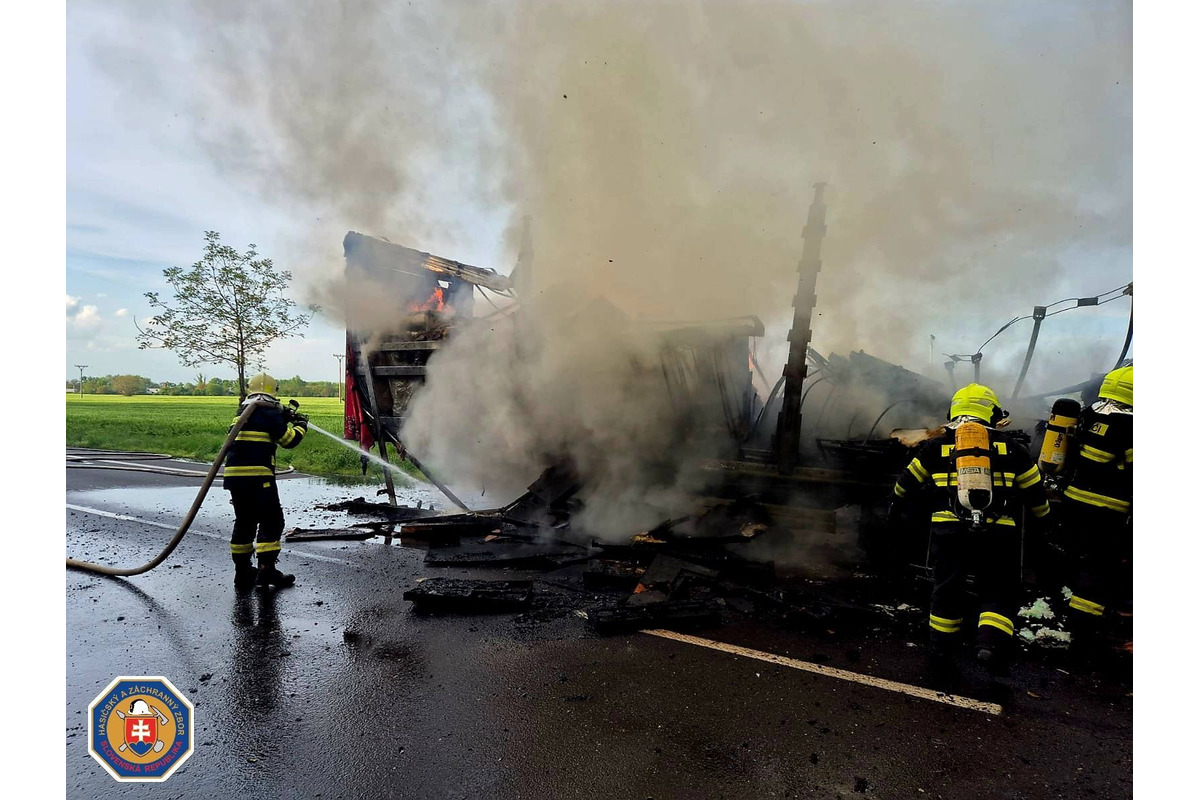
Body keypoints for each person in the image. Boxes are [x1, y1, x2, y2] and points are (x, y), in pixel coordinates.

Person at [889, 383, 1051, 674]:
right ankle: (989, 646)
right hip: (999, 533)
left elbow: (907, 481)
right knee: (998, 589)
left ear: (954, 412)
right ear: (991, 413)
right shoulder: (1013, 448)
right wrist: (1045, 520)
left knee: (947, 589)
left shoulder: (936, 446)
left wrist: (895, 504)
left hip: (949, 531)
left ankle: (940, 649)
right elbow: (1035, 493)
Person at [1059, 365, 1133, 655]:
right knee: (1101, 566)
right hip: (1107, 509)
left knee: (1087, 562)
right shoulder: (1131, 426)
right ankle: (1083, 634)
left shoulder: (1089, 415)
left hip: (1073, 503)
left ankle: (1079, 622)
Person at [223, 373, 307, 589]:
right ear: (274, 391)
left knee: (245, 522)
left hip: (234, 478)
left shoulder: (242, 412)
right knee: (272, 520)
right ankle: (266, 571)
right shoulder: (268, 413)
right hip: (258, 477)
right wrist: (301, 426)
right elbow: (288, 440)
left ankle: (242, 573)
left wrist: (282, 418)